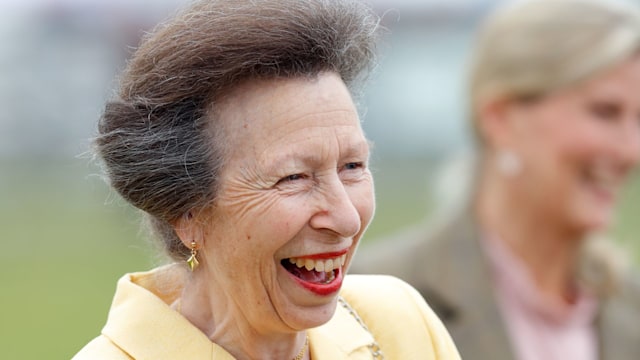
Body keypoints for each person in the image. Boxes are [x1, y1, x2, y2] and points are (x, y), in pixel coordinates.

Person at [73, 0, 461, 359]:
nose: (347, 218)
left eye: (353, 166)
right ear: (186, 212)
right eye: (293, 177)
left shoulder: (401, 328)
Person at [353, 0, 640, 359]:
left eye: (639, 119)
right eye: (604, 113)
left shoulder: (631, 309)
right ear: (500, 118)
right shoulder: (369, 300)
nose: (631, 151)